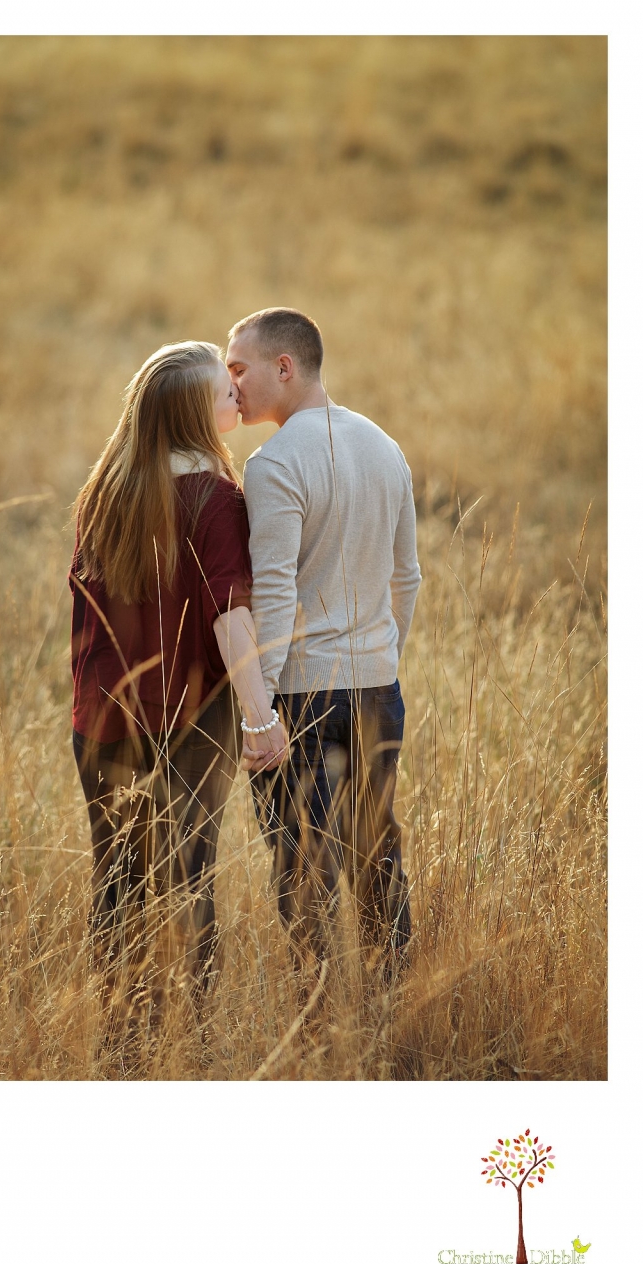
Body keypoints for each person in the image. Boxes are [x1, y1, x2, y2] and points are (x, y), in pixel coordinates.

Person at [70, 341, 288, 1007]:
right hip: (189, 724)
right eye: (221, 390)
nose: (234, 393)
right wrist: (261, 720)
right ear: (191, 414)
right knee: (188, 880)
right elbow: (230, 618)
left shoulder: (106, 490)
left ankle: (122, 1037)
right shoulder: (216, 498)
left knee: (117, 882)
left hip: (101, 721)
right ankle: (185, 1040)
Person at [225, 308, 422, 975]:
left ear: (285, 367)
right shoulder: (385, 446)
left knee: (302, 871)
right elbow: (409, 578)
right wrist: (382, 656)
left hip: (302, 695)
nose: (233, 386)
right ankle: (388, 1006)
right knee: (377, 856)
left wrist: (262, 714)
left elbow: (273, 595)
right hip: (377, 687)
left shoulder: (273, 462)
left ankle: (316, 1027)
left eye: (239, 368)